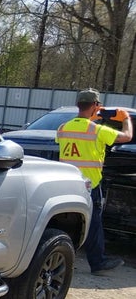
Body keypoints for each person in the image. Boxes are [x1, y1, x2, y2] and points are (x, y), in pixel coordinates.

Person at [56, 88, 133, 274]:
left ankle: (58, 258)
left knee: (64, 222)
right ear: (96, 106)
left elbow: (72, 141)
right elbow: (127, 136)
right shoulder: (97, 130)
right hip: (90, 184)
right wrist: (125, 118)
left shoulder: (63, 128)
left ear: (78, 105)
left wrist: (93, 117)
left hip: (66, 182)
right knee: (93, 224)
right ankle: (98, 263)